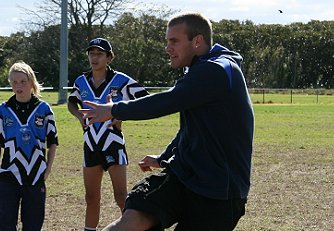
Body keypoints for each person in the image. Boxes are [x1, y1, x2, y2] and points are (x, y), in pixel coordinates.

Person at [80, 12, 255, 231]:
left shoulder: (216, 70)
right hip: (185, 176)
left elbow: (169, 100)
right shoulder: (200, 68)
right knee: (135, 217)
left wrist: (115, 109)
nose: (167, 48)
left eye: (174, 41)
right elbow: (192, 129)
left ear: (197, 41)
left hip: (219, 191)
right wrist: (163, 157)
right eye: (167, 41)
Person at [67, 37, 149, 231]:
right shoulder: (81, 81)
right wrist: (79, 116)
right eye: (91, 53)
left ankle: (133, 227)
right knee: (91, 197)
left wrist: (122, 116)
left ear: (109, 57)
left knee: (121, 196)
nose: (95, 58)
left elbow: (145, 100)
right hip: (90, 145)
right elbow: (72, 102)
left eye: (100, 54)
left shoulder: (121, 80)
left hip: (113, 143)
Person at [0, 61, 59, 231]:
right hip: (8, 173)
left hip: (35, 174)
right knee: (5, 223)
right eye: (14, 82)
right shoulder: (3, 109)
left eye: (23, 81)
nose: (18, 85)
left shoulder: (44, 109)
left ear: (31, 82)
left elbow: (53, 142)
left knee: (33, 224)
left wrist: (48, 169)